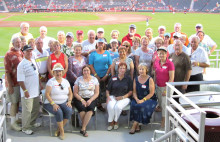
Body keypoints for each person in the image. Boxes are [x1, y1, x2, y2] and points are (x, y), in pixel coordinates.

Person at [17, 45, 42, 135]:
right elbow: (20, 80)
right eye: (27, 51)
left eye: (30, 51)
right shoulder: (21, 65)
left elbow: (36, 74)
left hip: (36, 91)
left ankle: (32, 122)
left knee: (35, 109)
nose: (29, 53)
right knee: (27, 111)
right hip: (27, 93)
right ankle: (25, 127)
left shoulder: (33, 61)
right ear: (23, 53)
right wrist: (25, 91)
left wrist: (40, 85)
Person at [44, 63, 73, 140]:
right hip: (51, 103)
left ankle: (58, 129)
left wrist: (69, 101)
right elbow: (47, 94)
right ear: (53, 73)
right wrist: (53, 104)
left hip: (63, 102)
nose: (58, 73)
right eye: (56, 71)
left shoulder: (66, 81)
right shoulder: (51, 82)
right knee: (58, 111)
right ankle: (62, 132)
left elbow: (70, 93)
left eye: (60, 71)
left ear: (62, 72)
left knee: (69, 110)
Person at [129, 63, 157, 134]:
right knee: (133, 105)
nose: (141, 71)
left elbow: (151, 93)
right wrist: (137, 99)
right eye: (140, 69)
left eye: (143, 69)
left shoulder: (150, 79)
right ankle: (137, 125)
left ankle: (134, 125)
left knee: (141, 106)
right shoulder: (136, 79)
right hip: (138, 98)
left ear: (146, 70)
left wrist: (143, 100)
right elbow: (134, 92)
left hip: (149, 99)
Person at [74, 65, 99, 137]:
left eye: (87, 70)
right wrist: (82, 100)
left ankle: (83, 128)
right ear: (82, 71)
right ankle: (84, 128)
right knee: (82, 109)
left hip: (91, 98)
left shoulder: (94, 79)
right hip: (80, 98)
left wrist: (90, 100)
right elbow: (75, 93)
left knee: (90, 110)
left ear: (90, 71)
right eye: (84, 70)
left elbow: (97, 93)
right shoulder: (78, 79)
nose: (86, 72)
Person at [106, 62, 133, 131]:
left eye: (124, 68)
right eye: (121, 68)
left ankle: (116, 121)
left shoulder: (128, 79)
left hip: (125, 97)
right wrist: (108, 97)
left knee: (117, 107)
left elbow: (130, 91)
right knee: (111, 106)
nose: (122, 70)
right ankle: (111, 122)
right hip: (113, 96)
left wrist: (122, 97)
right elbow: (108, 90)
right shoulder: (113, 78)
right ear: (118, 69)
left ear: (126, 70)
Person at [4, 37, 23, 131]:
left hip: (19, 82)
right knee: (14, 103)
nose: (19, 44)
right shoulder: (8, 54)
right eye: (17, 42)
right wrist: (10, 86)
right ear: (13, 43)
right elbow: (7, 72)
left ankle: (15, 119)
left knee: (17, 102)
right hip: (13, 83)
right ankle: (12, 123)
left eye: (20, 42)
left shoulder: (20, 52)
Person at [153, 47, 174, 128]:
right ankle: (164, 117)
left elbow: (171, 78)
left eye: (163, 53)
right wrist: (154, 84)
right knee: (161, 104)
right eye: (159, 53)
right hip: (158, 86)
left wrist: (166, 90)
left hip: (167, 87)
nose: (161, 55)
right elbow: (156, 74)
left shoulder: (170, 63)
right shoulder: (157, 62)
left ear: (166, 54)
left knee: (165, 104)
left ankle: (163, 121)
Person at [89, 38, 112, 111]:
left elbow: (110, 65)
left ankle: (103, 104)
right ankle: (96, 105)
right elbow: (91, 65)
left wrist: (106, 75)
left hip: (105, 75)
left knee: (104, 90)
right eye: (99, 43)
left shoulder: (107, 53)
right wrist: (95, 75)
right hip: (95, 76)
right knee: (95, 91)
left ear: (104, 44)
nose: (100, 44)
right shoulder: (93, 53)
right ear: (96, 44)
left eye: (102, 43)